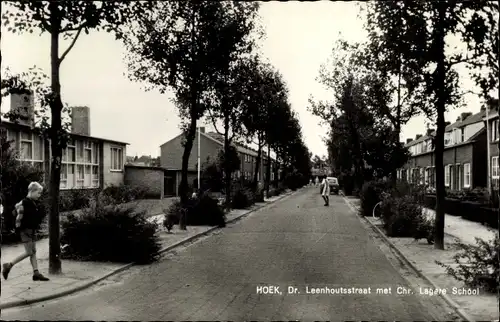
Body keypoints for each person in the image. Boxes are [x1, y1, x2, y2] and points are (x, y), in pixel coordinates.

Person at [2, 182, 49, 281]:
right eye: (38, 193)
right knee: (29, 252)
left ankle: (36, 273)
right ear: (32, 191)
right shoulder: (24, 203)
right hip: (26, 231)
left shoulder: (32, 202)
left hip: (32, 231)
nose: (39, 195)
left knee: (33, 252)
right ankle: (9, 265)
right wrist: (18, 228)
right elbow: (17, 215)